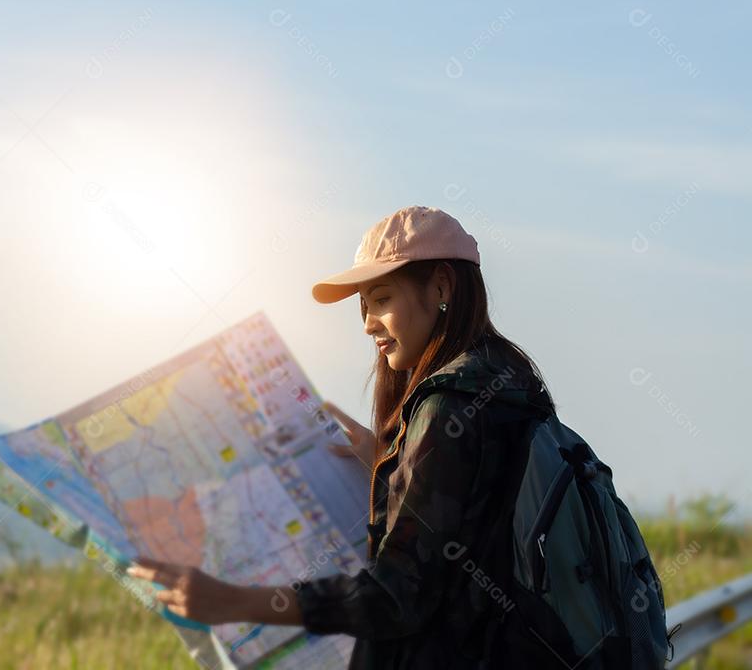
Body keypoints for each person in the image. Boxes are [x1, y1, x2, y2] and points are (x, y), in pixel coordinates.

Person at [127, 205, 558, 668]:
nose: (368, 323)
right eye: (364, 306)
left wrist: (233, 602)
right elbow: (481, 530)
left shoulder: (448, 407)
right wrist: (393, 464)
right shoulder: (511, 380)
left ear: (440, 287)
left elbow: (396, 597)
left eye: (382, 298)